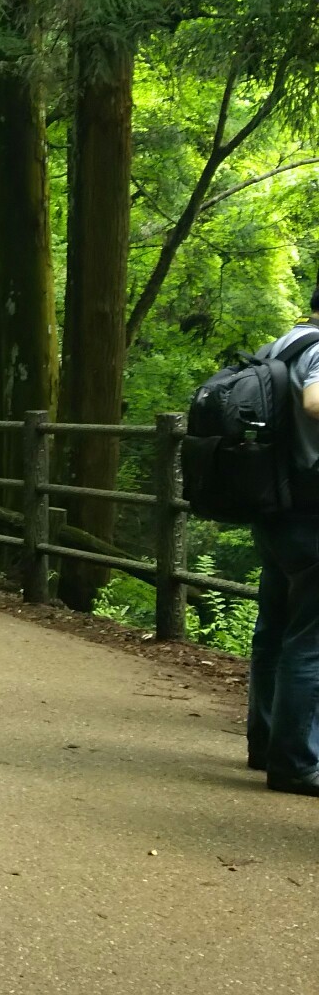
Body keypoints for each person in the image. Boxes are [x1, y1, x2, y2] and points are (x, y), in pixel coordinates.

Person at [250, 288, 319, 797]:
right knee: (310, 641)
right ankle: (294, 762)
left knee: (274, 627)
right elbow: (315, 402)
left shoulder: (284, 343)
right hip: (312, 511)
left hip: (274, 506)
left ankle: (266, 741)